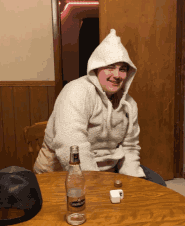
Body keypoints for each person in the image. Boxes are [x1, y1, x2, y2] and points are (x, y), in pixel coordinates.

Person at [34, 29, 166, 187]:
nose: (117, 75)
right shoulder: (76, 91)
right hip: (63, 172)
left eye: (122, 69)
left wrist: (134, 183)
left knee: (157, 185)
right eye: (110, 67)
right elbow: (71, 145)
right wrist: (96, 185)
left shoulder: (129, 105)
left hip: (108, 171)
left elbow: (130, 146)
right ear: (96, 67)